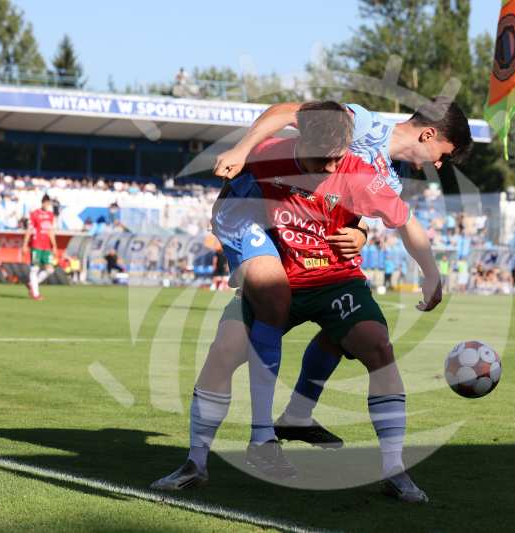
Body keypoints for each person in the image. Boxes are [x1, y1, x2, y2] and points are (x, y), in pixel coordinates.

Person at [152, 102, 442, 503]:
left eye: (335, 159)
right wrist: (240, 246)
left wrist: (429, 271)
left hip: (334, 278)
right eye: (319, 159)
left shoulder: (359, 172)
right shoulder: (267, 153)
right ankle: (195, 463)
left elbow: (405, 221)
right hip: (280, 269)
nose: (327, 168)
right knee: (224, 350)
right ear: (299, 141)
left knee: (378, 344)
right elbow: (230, 200)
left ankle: (394, 470)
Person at [214, 97, 473, 445]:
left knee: (350, 327)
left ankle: (295, 416)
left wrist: (361, 232)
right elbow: (286, 113)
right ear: (428, 134)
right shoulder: (365, 124)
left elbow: (354, 205)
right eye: (443, 155)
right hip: (257, 215)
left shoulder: (392, 177)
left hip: (306, 243)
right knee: (237, 344)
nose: (440, 166)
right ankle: (237, 441)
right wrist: (242, 150)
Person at [22, 195, 57, 301]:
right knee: (35, 269)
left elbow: (51, 231)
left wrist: (54, 245)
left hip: (46, 246)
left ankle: (32, 283)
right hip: (36, 245)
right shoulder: (35, 214)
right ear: (42, 203)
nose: (47, 205)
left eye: (48, 203)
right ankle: (36, 294)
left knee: (50, 269)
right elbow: (29, 230)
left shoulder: (50, 215)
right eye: (45, 203)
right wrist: (25, 245)